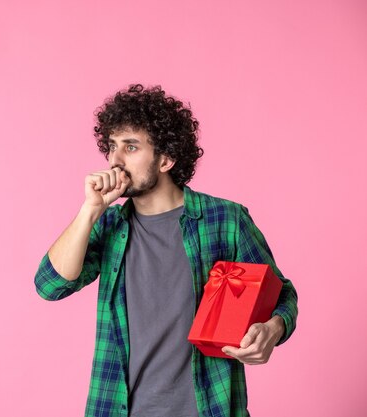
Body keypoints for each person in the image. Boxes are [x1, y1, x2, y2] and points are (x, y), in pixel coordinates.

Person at [33, 84, 298, 417]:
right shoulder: (109, 225)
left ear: (166, 159)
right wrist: (90, 210)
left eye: (130, 147)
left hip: (210, 407)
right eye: (112, 147)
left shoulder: (224, 219)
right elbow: (49, 285)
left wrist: (272, 330)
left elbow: (282, 294)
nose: (115, 161)